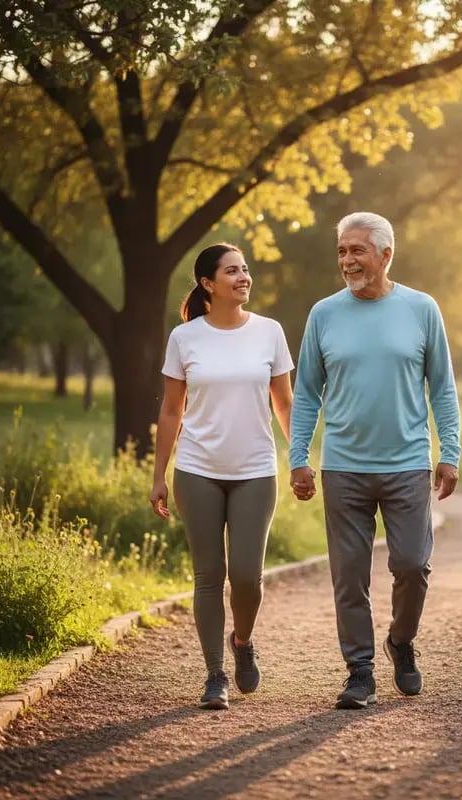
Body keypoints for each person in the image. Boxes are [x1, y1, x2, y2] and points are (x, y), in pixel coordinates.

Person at [289, 211, 460, 710]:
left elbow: (443, 389)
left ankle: (401, 644)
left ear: (386, 255)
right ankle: (359, 671)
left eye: (357, 250)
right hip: (343, 465)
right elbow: (306, 394)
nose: (347, 260)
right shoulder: (323, 313)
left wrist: (450, 452)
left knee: (411, 564)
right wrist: (299, 457)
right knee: (349, 574)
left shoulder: (422, 309)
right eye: (342, 251)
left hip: (407, 462)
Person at [149, 242, 294, 711]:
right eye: (232, 271)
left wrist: (301, 459)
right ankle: (215, 675)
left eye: (245, 269)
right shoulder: (184, 338)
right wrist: (159, 475)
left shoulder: (270, 332)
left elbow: (285, 403)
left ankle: (243, 641)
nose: (243, 277)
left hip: (254, 469)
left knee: (247, 576)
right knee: (208, 575)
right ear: (209, 284)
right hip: (197, 469)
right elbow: (172, 412)